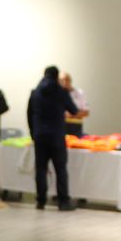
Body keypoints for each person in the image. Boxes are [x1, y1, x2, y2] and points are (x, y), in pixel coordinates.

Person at [27, 65, 79, 211]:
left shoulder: (35, 92)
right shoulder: (61, 92)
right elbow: (73, 110)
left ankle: (40, 201)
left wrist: (33, 133)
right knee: (60, 168)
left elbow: (29, 114)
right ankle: (63, 201)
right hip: (56, 136)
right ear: (57, 77)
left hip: (39, 136)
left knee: (41, 169)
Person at [60, 72, 89, 137]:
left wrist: (71, 114)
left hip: (76, 128)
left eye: (66, 79)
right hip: (61, 128)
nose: (64, 82)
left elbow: (86, 112)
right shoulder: (56, 95)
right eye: (62, 80)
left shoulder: (79, 93)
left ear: (70, 80)